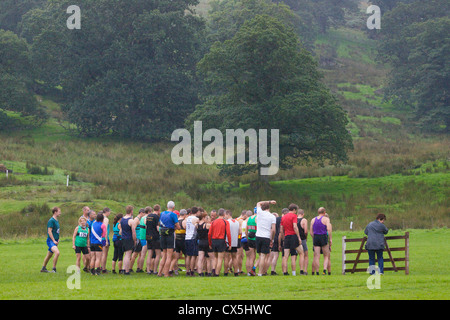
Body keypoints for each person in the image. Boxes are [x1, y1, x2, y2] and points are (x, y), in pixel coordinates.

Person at [279, 203, 304, 276]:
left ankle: (285, 272)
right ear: (294, 210)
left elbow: (281, 229)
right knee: (301, 253)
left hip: (287, 237)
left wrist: (283, 238)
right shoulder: (294, 216)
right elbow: (295, 226)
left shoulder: (283, 217)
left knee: (285, 256)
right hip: (293, 236)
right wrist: (298, 237)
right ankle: (300, 271)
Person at [158, 201, 180, 277]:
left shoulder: (162, 213)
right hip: (170, 235)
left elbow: (159, 223)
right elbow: (178, 226)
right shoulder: (173, 215)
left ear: (167, 206)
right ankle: (166, 273)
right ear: (173, 207)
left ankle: (159, 273)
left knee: (164, 255)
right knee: (169, 256)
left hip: (163, 235)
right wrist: (175, 227)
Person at [255, 200, 277, 276]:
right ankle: (260, 272)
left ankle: (257, 270)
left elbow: (258, 203)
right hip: (266, 236)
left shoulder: (259, 213)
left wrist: (270, 201)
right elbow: (273, 230)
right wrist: (272, 238)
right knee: (263, 256)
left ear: (262, 207)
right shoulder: (272, 216)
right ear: (269, 208)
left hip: (258, 236)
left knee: (260, 255)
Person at [208, 209, 231, 276]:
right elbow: (228, 234)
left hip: (214, 240)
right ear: (224, 214)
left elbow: (209, 233)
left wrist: (210, 243)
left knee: (215, 257)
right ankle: (217, 273)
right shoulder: (225, 222)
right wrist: (230, 243)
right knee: (220, 258)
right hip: (221, 240)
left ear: (218, 214)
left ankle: (213, 270)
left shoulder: (213, 222)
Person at [310, 207, 332, 275]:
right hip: (323, 236)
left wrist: (314, 237)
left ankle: (317, 271)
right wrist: (330, 239)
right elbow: (328, 229)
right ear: (324, 212)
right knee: (326, 255)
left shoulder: (313, 219)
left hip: (316, 237)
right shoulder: (326, 219)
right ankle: (324, 270)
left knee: (317, 255)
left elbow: (311, 232)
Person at [41, 207, 61, 273]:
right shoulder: (51, 220)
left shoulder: (56, 220)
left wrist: (57, 239)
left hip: (55, 240)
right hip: (51, 241)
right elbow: (49, 231)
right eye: (59, 211)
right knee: (57, 253)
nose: (60, 212)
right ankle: (54, 269)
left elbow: (57, 231)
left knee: (49, 255)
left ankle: (43, 268)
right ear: (55, 212)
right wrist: (54, 240)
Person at [224, 210, 241, 276]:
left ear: (227, 214)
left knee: (226, 257)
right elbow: (240, 232)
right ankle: (236, 272)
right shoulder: (237, 222)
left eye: (225, 215)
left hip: (227, 241)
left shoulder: (227, 222)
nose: (224, 216)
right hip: (235, 241)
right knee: (234, 257)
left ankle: (226, 272)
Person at [120, 205, 136, 275]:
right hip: (129, 238)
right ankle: (127, 270)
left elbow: (121, 230)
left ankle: (123, 268)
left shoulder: (122, 219)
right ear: (131, 211)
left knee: (126, 254)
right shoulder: (131, 220)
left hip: (123, 238)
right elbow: (133, 231)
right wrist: (134, 240)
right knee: (128, 255)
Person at [146, 204, 161, 275]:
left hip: (148, 236)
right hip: (155, 236)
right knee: (158, 254)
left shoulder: (148, 216)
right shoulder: (156, 217)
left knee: (149, 254)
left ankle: (148, 270)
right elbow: (157, 227)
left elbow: (146, 225)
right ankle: (155, 270)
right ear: (158, 210)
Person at [184, 207, 200, 276]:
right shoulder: (196, 219)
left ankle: (187, 271)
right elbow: (198, 227)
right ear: (197, 212)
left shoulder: (187, 218)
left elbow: (185, 226)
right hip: (193, 237)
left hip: (187, 237)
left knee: (188, 255)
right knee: (193, 255)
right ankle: (192, 271)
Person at [130, 208, 146, 272]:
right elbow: (133, 228)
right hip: (137, 238)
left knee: (140, 254)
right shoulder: (136, 219)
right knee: (135, 254)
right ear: (141, 213)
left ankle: (139, 267)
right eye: (144, 213)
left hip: (141, 238)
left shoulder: (141, 219)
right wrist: (135, 238)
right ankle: (130, 268)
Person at [197, 211, 212, 276]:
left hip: (200, 242)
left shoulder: (197, 225)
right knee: (208, 259)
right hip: (207, 242)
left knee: (200, 259)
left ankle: (200, 272)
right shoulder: (207, 225)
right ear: (203, 218)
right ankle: (208, 272)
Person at [172, 208, 187, 275]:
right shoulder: (184, 221)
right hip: (183, 240)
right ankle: (188, 270)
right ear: (184, 214)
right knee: (187, 256)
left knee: (176, 257)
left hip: (176, 241)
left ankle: (174, 270)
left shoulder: (176, 221)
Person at [245, 209, 257, 276]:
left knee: (249, 257)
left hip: (249, 238)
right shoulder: (257, 218)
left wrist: (247, 238)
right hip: (255, 238)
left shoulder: (249, 219)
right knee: (255, 256)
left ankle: (248, 272)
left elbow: (246, 230)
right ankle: (252, 271)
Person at [297, 209, 308, 275]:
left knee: (295, 255)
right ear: (303, 214)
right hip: (302, 239)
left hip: (295, 239)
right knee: (305, 255)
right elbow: (306, 231)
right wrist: (306, 237)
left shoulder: (294, 219)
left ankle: (295, 270)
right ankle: (304, 270)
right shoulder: (304, 220)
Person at [101, 207, 111, 273]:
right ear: (107, 212)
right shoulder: (106, 219)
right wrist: (106, 240)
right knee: (104, 254)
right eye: (109, 212)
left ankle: (103, 267)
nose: (110, 213)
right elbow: (105, 230)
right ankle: (103, 268)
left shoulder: (100, 218)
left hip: (100, 237)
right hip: (105, 238)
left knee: (103, 254)